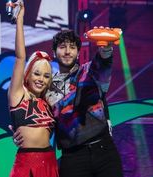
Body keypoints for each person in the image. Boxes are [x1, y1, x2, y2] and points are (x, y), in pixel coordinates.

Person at [12, 28, 123, 177]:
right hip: (72, 158)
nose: (67, 51)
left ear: (78, 52)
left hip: (104, 151)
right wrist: (24, 134)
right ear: (54, 52)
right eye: (62, 47)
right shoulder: (47, 86)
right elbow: (31, 107)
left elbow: (103, 62)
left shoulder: (89, 71)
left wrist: (107, 48)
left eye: (72, 47)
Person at [7, 1, 59, 177]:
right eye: (37, 74)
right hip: (26, 163)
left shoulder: (49, 102)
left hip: (50, 161)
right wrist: (20, 20)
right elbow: (20, 57)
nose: (41, 79)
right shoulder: (18, 95)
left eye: (46, 76)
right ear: (27, 74)